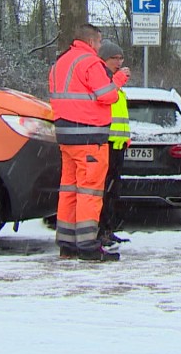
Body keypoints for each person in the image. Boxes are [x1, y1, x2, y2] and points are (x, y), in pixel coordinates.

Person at [48, 24, 128, 262]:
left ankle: (67, 242)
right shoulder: (91, 63)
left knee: (69, 189)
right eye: (100, 42)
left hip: (66, 135)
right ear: (92, 42)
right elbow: (108, 96)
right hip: (89, 136)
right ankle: (87, 244)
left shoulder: (60, 63)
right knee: (89, 191)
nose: (100, 46)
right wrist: (118, 81)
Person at [97, 40, 132, 246]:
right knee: (103, 190)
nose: (118, 62)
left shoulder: (116, 85)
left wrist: (126, 136)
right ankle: (100, 230)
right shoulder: (105, 81)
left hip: (118, 145)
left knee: (112, 191)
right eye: (114, 58)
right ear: (104, 59)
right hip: (105, 144)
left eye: (121, 58)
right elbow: (101, 100)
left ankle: (108, 229)